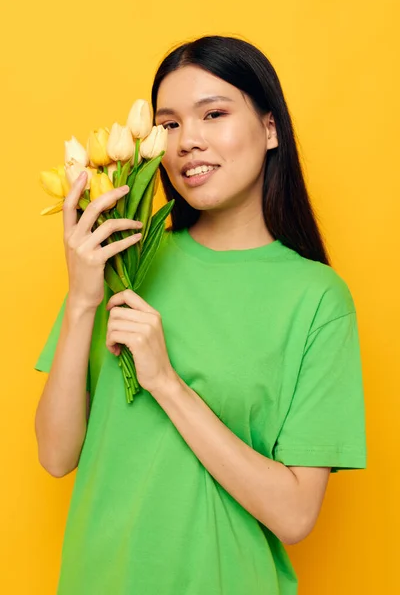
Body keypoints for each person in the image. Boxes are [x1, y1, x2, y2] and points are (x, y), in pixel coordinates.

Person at [34, 35, 367, 595]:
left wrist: (166, 382)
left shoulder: (317, 299)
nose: (189, 141)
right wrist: (82, 298)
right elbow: (55, 454)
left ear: (269, 128)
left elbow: (295, 515)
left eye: (213, 114)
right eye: (168, 125)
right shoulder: (125, 261)